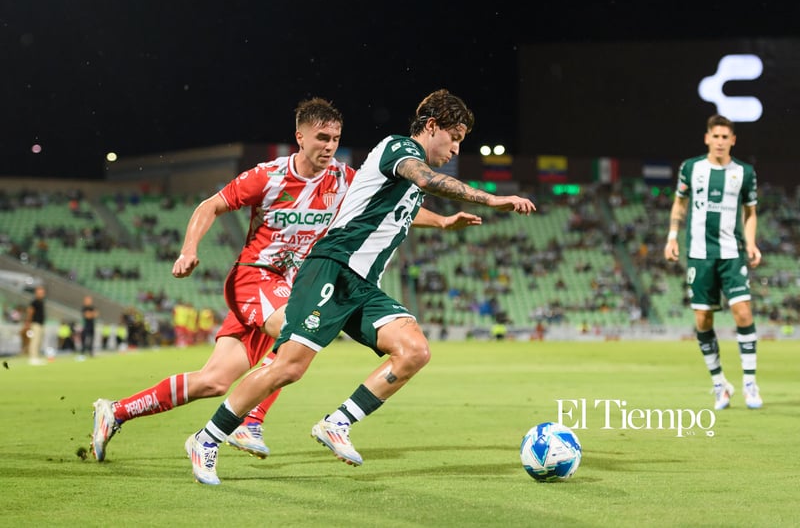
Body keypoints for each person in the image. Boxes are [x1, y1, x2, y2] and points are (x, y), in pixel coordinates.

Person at [90, 97, 480, 463]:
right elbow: (212, 205)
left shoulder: (344, 180)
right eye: (322, 138)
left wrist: (442, 220)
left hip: (288, 288)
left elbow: (391, 209)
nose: (329, 147)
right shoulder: (269, 176)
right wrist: (189, 249)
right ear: (300, 137)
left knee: (213, 381)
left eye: (336, 139)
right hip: (256, 277)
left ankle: (116, 411)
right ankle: (250, 422)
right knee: (297, 341)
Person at [185, 89, 536, 485]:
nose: (456, 148)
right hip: (331, 268)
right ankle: (206, 439)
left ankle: (337, 423)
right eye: (454, 137)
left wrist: (441, 222)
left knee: (414, 351)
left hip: (363, 285)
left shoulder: (410, 173)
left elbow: (410, 200)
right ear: (432, 126)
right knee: (289, 367)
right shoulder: (398, 149)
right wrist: (492, 199)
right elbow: (425, 178)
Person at [664, 114, 763, 411]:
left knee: (743, 312)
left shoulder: (744, 172)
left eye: (725, 137)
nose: (720, 141)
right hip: (699, 253)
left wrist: (751, 243)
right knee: (702, 320)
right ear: (707, 138)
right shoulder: (691, 168)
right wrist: (671, 237)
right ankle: (720, 384)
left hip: (731, 253)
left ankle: (749, 383)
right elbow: (680, 203)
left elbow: (750, 212)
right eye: (715, 136)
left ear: (733, 140)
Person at [23, 285, 46, 366]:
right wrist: (28, 322)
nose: (42, 294)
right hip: (35, 323)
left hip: (40, 324)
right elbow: (30, 311)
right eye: (40, 292)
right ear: (36, 293)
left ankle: (36, 357)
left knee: (39, 341)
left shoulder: (41, 302)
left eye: (42, 292)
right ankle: (32, 358)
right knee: (34, 341)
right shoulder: (34, 302)